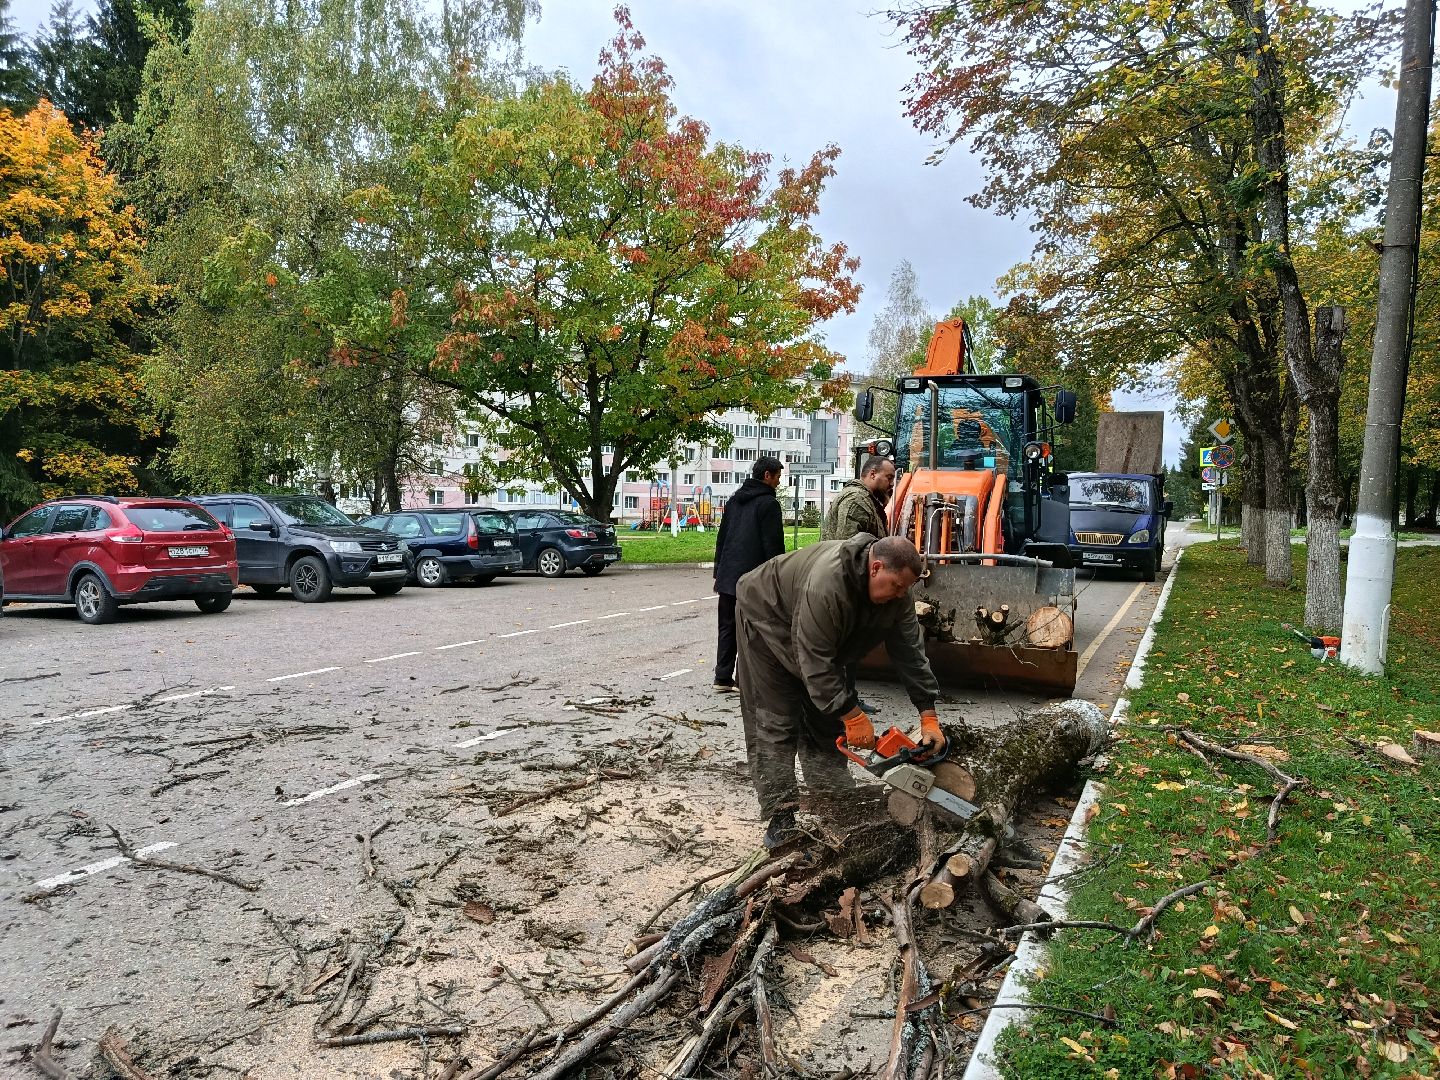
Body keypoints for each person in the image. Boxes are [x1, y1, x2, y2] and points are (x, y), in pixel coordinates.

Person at [734, 534, 944, 848]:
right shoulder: (827, 585)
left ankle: (834, 802)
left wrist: (928, 715)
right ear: (875, 568)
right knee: (774, 723)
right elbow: (815, 663)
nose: (901, 594)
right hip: (768, 621)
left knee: (825, 724)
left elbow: (910, 652)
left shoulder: (897, 595)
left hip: (815, 635)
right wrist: (852, 714)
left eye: (906, 589)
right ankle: (781, 818)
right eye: (897, 586)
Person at [711, 456, 785, 693]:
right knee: (753, 631)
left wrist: (718, 572)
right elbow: (772, 546)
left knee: (727, 628)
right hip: (753, 580)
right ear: (767, 476)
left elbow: (721, 539)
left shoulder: (734, 501)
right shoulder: (768, 505)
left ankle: (722, 678)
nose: (778, 483)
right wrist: (778, 578)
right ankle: (746, 681)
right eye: (777, 477)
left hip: (727, 577)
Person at [822, 455, 896, 542]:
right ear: (873, 474)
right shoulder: (856, 500)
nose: (892, 484)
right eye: (889, 478)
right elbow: (848, 548)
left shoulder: (867, 500)